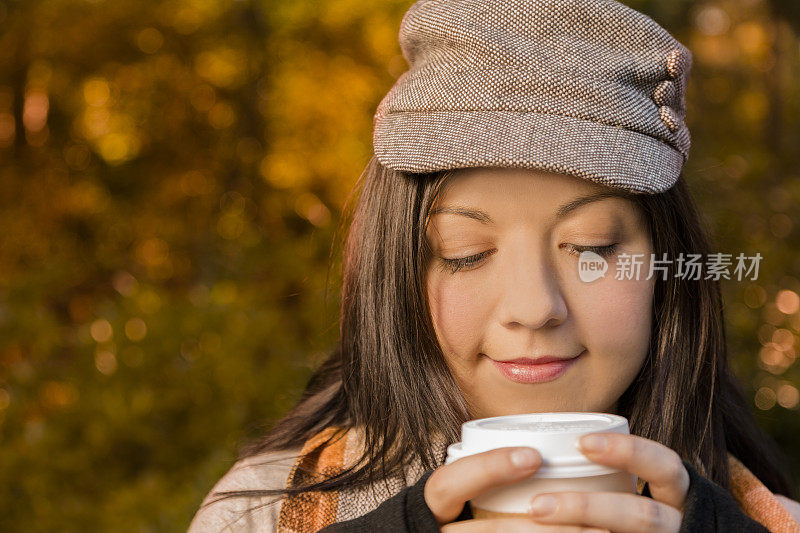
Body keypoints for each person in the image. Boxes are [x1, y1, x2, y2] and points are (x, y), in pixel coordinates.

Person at [188, 0, 800, 531]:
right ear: (398, 268)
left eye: (593, 247)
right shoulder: (265, 516)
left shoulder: (768, 516)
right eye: (466, 253)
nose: (534, 308)